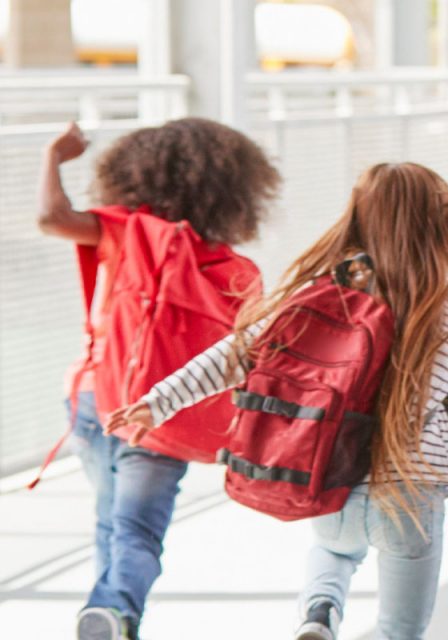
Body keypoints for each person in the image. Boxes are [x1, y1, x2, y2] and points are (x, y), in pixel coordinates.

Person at [105, 163, 448, 640]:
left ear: (357, 217)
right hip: (410, 493)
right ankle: (324, 611)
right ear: (440, 228)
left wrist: (159, 401)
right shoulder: (444, 310)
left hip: (333, 474)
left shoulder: (318, 296)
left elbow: (237, 354)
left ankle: (320, 609)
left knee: (335, 553)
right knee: (400, 629)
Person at [36, 119, 280, 640]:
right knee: (136, 529)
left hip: (92, 397)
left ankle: (111, 615)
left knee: (113, 521)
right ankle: (115, 612)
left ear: (134, 173)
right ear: (237, 191)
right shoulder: (236, 269)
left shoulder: (127, 231)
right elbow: (247, 358)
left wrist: (53, 155)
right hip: (164, 412)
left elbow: (51, 217)